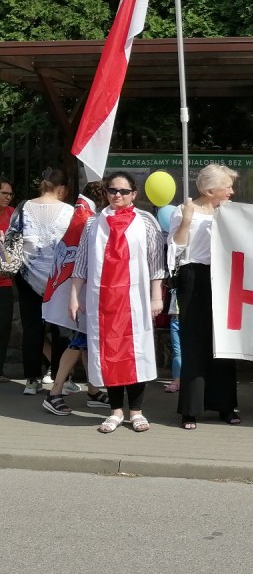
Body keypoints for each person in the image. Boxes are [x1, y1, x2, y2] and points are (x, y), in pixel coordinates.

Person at [69, 173, 166, 433]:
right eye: (112, 190)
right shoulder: (93, 223)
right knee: (108, 353)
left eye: (124, 191)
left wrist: (156, 297)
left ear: (134, 194)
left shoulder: (146, 222)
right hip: (102, 302)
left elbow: (156, 263)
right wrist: (74, 296)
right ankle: (115, 411)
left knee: (136, 353)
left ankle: (136, 411)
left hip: (135, 300)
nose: (117, 195)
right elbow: (81, 262)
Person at [169, 164, 240, 430]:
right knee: (194, 342)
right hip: (194, 275)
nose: (232, 191)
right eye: (227, 187)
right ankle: (190, 409)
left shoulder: (228, 211)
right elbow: (176, 248)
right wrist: (186, 221)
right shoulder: (185, 210)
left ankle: (225, 405)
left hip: (223, 276)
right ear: (211, 190)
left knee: (223, 341)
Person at [41, 182, 111, 415]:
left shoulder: (81, 215)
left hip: (80, 291)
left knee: (87, 342)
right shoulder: (87, 219)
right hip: (83, 292)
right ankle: (55, 392)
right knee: (79, 342)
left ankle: (92, 390)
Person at [15, 168, 74, 395]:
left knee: (32, 329)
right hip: (59, 279)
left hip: (27, 277)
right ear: (62, 189)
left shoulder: (23, 208)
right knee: (61, 330)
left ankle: (31, 380)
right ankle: (61, 379)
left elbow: (11, 237)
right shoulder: (69, 211)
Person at [0, 176, 15, 383]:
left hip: (5, 279)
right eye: (4, 193)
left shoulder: (12, 214)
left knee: (3, 326)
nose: (8, 197)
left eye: (10, 194)